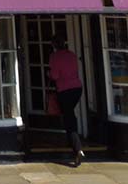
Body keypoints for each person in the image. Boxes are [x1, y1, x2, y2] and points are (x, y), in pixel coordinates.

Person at [48, 35, 84, 167]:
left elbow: (55, 75)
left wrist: (49, 74)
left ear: (54, 45)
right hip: (77, 89)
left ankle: (77, 148)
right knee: (70, 114)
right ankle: (73, 143)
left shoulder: (54, 57)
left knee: (69, 117)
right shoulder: (72, 55)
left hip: (64, 90)